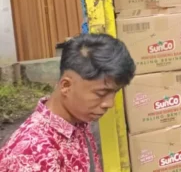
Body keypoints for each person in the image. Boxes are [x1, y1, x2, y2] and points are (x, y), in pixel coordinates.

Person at [0, 34, 136, 170]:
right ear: (66, 86)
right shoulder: (33, 154)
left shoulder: (79, 120)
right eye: (101, 93)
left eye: (115, 92)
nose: (109, 103)